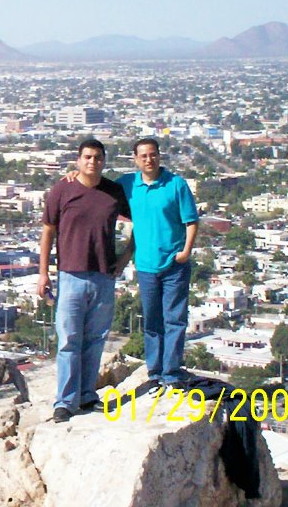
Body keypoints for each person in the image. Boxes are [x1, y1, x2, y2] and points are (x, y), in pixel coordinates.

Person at [38, 138, 131, 423]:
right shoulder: (62, 190)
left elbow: (140, 219)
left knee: (95, 339)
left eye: (98, 158)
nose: (93, 162)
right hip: (70, 274)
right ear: (78, 160)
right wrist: (43, 273)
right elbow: (47, 232)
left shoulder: (114, 192)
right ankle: (65, 402)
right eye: (88, 157)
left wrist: (126, 256)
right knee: (68, 340)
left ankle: (87, 394)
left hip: (104, 275)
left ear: (104, 161)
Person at [117, 137, 199, 394]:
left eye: (152, 154)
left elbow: (192, 221)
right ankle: (154, 371)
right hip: (146, 265)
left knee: (174, 319)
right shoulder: (128, 184)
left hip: (174, 263)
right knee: (152, 320)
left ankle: (171, 372)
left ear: (159, 156)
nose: (148, 159)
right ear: (135, 159)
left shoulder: (176, 185)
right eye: (143, 156)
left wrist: (186, 251)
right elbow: (98, 189)